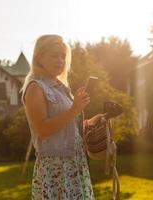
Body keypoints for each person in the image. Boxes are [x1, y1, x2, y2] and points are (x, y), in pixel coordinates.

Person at [21, 34, 105, 200]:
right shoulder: (35, 87)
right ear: (39, 58)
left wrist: (92, 122)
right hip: (55, 168)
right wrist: (74, 109)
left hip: (75, 164)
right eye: (54, 55)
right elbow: (42, 129)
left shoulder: (62, 89)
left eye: (63, 56)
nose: (60, 60)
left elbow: (68, 127)